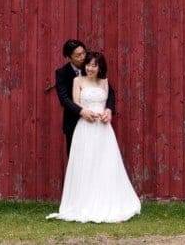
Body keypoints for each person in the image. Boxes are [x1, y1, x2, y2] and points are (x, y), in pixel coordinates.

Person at [47, 51, 141, 223]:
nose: (90, 68)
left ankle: (106, 199)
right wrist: (85, 113)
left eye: (94, 65)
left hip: (103, 128)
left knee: (105, 163)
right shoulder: (78, 81)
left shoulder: (105, 82)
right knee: (86, 163)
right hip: (85, 127)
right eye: (88, 65)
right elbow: (75, 103)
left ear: (100, 67)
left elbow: (109, 100)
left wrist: (107, 112)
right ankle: (83, 201)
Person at [54, 39, 115, 155]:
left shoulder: (93, 67)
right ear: (68, 57)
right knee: (77, 158)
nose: (82, 57)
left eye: (83, 53)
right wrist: (81, 111)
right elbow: (64, 99)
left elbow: (110, 92)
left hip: (99, 121)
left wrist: (109, 109)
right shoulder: (62, 73)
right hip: (74, 121)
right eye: (78, 55)